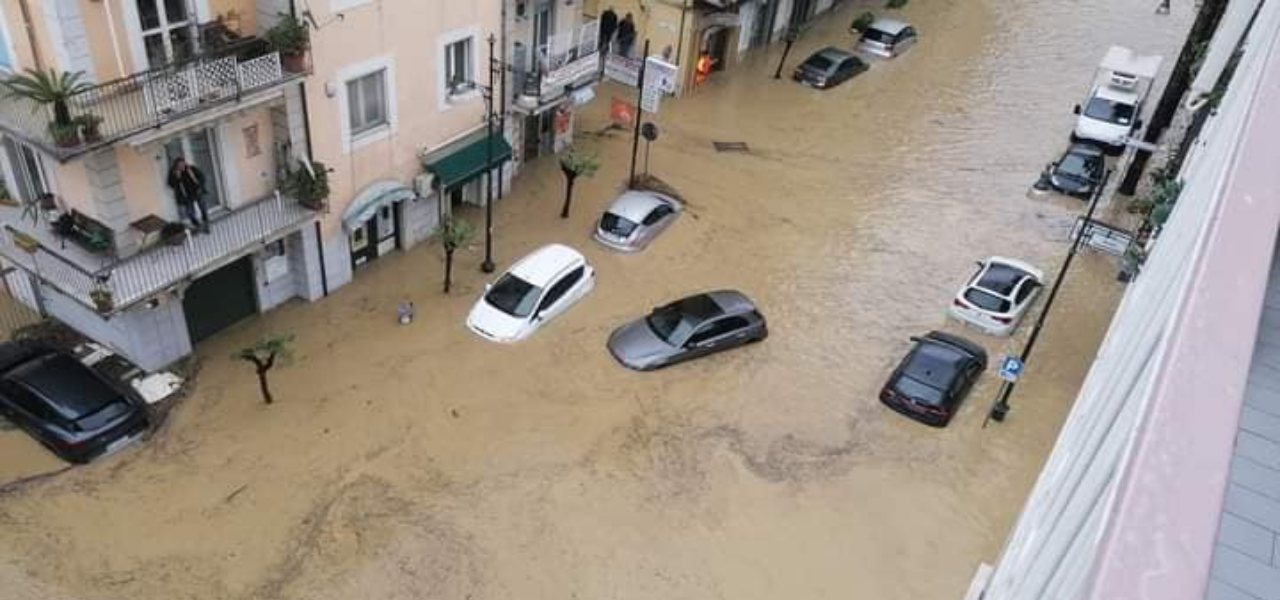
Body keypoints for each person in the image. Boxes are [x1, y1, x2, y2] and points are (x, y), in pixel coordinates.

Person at [167, 157, 209, 233]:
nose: (182, 167)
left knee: (203, 208)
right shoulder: (174, 173)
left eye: (183, 164)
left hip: (197, 192)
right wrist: (177, 177)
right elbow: (171, 184)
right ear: (176, 166)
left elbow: (202, 177)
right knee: (190, 213)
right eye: (179, 165)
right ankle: (197, 226)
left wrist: (200, 186)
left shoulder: (191, 169)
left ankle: (206, 225)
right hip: (186, 195)